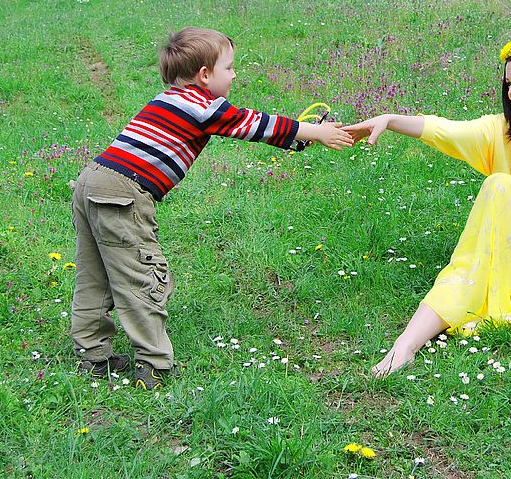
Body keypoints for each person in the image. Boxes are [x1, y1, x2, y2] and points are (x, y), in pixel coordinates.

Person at [70, 27, 354, 389]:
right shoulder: (201, 104)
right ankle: (154, 366)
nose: (235, 75)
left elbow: (245, 126)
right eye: (230, 68)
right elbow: (253, 124)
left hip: (92, 182)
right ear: (205, 75)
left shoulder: (170, 99)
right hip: (124, 192)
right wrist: (316, 133)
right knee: (138, 275)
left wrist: (299, 140)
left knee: (94, 274)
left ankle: (93, 355)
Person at [344, 38, 511, 375]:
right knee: (471, 263)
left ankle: (422, 335)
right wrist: (390, 119)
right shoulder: (500, 129)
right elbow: (443, 130)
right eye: (508, 82)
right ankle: (405, 345)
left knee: (501, 185)